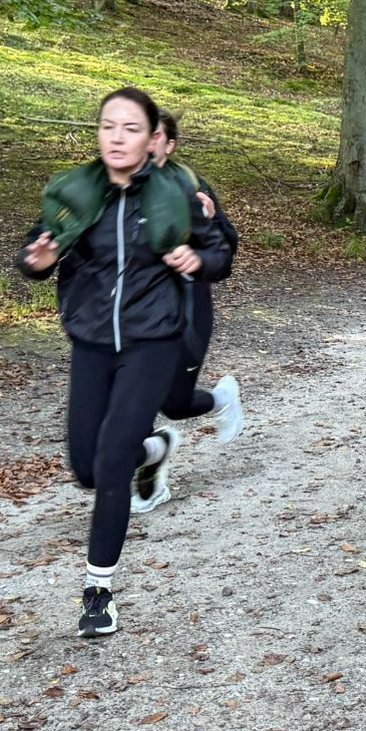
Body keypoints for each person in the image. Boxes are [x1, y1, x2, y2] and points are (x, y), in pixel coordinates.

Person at [17, 87, 234, 639]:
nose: (118, 137)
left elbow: (221, 254)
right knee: (87, 468)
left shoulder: (177, 193)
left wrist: (197, 258)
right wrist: (36, 260)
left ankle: (98, 592)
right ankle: (155, 448)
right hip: (91, 340)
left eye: (131, 128)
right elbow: (35, 251)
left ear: (151, 139)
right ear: (99, 133)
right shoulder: (75, 191)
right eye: (108, 126)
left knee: (111, 464)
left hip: (153, 340)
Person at [133, 110, 245, 515]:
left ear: (169, 144)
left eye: (155, 134)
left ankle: (222, 399)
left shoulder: (191, 188)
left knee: (176, 404)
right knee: (132, 404)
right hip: (135, 320)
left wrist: (211, 227)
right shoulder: (117, 188)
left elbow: (226, 253)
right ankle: (149, 475)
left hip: (186, 313)